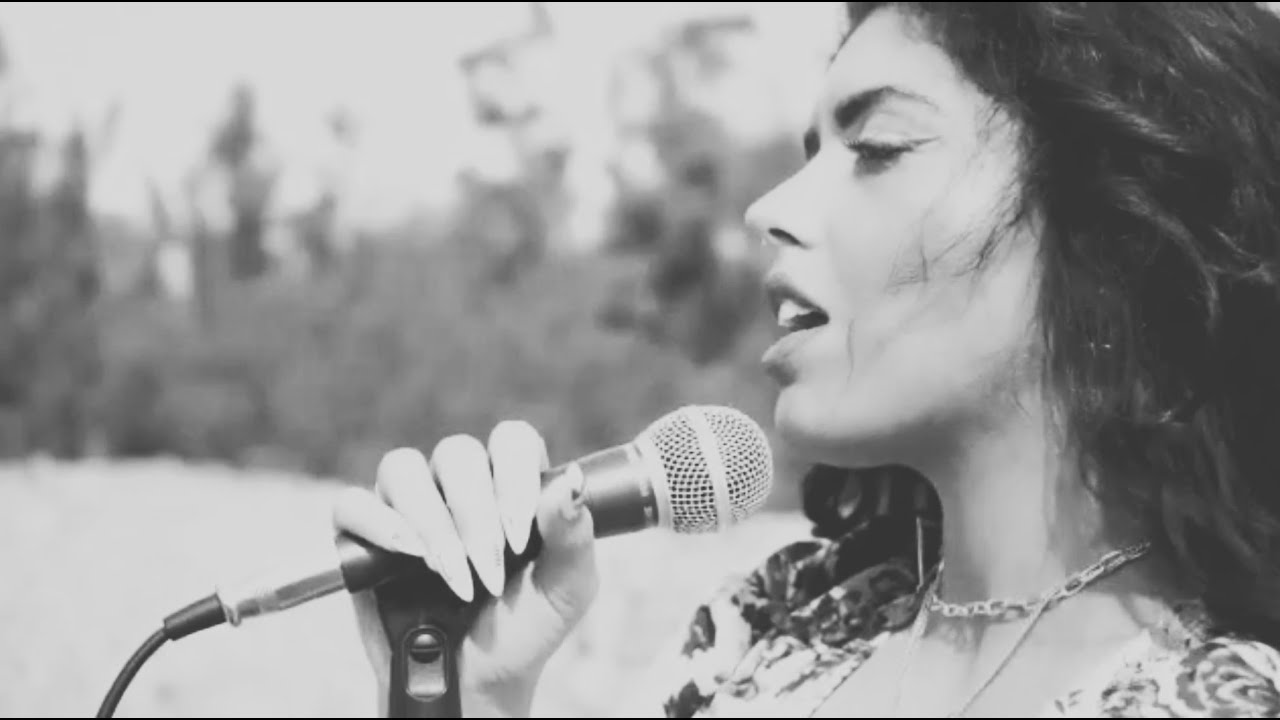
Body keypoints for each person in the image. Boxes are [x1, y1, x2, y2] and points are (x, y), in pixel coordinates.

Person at [332, 2, 1280, 716]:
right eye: (811, 150)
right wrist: (462, 694)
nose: (770, 208)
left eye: (877, 148)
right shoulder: (767, 635)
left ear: (1115, 233)